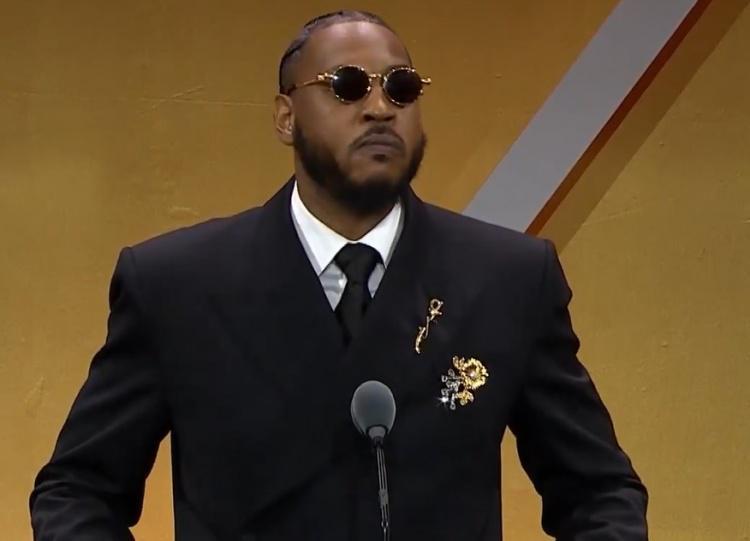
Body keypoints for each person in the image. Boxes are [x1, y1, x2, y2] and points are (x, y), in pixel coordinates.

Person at [30, 10, 648, 541]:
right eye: (347, 87)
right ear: (285, 117)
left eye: (401, 89)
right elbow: (77, 491)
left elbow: (598, 493)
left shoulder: (508, 279)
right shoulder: (177, 285)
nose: (379, 108)